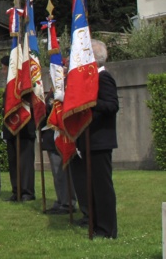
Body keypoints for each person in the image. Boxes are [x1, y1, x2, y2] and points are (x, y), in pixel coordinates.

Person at [69, 39, 119, 238]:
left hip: (100, 140)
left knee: (102, 186)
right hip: (87, 139)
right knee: (90, 186)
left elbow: (111, 106)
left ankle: (107, 229)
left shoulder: (104, 77)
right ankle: (96, 223)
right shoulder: (89, 80)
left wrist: (89, 102)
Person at [40, 89, 76, 214]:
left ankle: (68, 202)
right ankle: (61, 200)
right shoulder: (52, 89)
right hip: (50, 136)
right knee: (57, 172)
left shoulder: (65, 86)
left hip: (62, 135)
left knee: (63, 171)